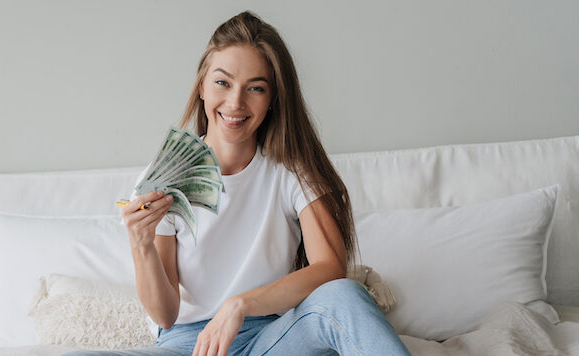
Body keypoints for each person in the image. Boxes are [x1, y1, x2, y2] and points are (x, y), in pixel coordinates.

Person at [65, 11, 411, 356]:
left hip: (271, 340)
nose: (235, 102)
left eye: (255, 88)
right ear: (202, 86)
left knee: (344, 296)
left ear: (273, 99)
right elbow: (165, 315)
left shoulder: (292, 170)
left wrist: (240, 305)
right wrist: (141, 246)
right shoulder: (162, 180)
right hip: (188, 347)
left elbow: (330, 269)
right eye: (223, 83)